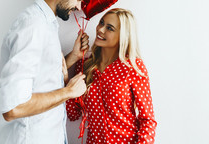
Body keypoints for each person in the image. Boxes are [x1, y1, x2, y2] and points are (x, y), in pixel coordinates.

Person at [0, 0, 94, 144]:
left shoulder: (46, 24)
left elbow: (42, 76)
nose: (79, 8)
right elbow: (13, 108)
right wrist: (69, 92)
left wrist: (72, 57)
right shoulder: (33, 26)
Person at [66, 8, 157, 144]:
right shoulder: (85, 64)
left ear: (123, 36)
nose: (100, 30)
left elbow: (147, 120)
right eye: (101, 23)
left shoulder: (133, 67)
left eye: (110, 28)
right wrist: (65, 76)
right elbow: (73, 114)